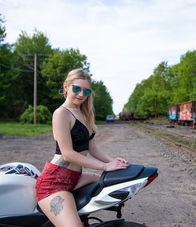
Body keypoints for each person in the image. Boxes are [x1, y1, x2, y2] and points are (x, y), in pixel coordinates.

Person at [35, 68, 129, 227]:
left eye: (86, 91)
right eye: (77, 89)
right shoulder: (61, 114)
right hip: (53, 183)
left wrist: (113, 162)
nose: (81, 94)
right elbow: (68, 154)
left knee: (106, 181)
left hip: (74, 177)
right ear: (66, 87)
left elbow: (92, 148)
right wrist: (105, 166)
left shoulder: (84, 114)